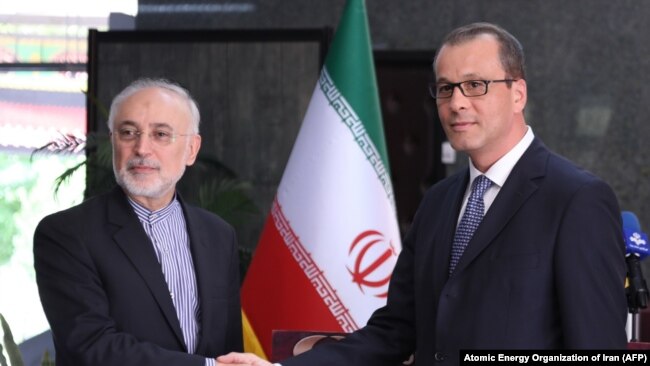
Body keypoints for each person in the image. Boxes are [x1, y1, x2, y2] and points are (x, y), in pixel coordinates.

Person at [216, 22, 628, 366]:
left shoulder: (576, 199)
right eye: (445, 88)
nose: (456, 103)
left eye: (475, 85)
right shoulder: (439, 201)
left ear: (518, 93)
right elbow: (396, 330)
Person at [34, 78, 243, 366]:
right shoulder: (65, 234)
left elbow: (229, 350)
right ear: (113, 141)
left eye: (160, 134)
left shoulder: (219, 235)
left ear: (191, 150)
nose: (142, 148)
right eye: (128, 132)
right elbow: (92, 345)